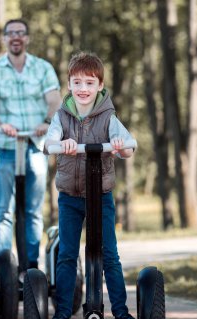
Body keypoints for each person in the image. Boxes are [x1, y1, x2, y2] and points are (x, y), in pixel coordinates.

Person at [45, 52, 135, 319]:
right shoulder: (61, 117)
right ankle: (62, 312)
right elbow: (49, 143)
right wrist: (62, 144)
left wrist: (121, 148)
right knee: (67, 256)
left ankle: (120, 312)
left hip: (102, 196)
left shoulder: (109, 117)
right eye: (77, 82)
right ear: (69, 84)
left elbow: (128, 147)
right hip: (70, 197)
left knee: (109, 256)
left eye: (89, 83)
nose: (83, 88)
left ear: (100, 86)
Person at [0, 19, 61, 268]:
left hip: (35, 145)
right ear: (4, 38)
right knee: (3, 210)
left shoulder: (43, 68)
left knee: (33, 211)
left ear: (27, 38)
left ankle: (31, 267)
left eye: (21, 33)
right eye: (11, 33)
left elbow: (55, 101)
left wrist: (47, 122)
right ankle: (3, 267)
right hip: (5, 147)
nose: (16, 37)